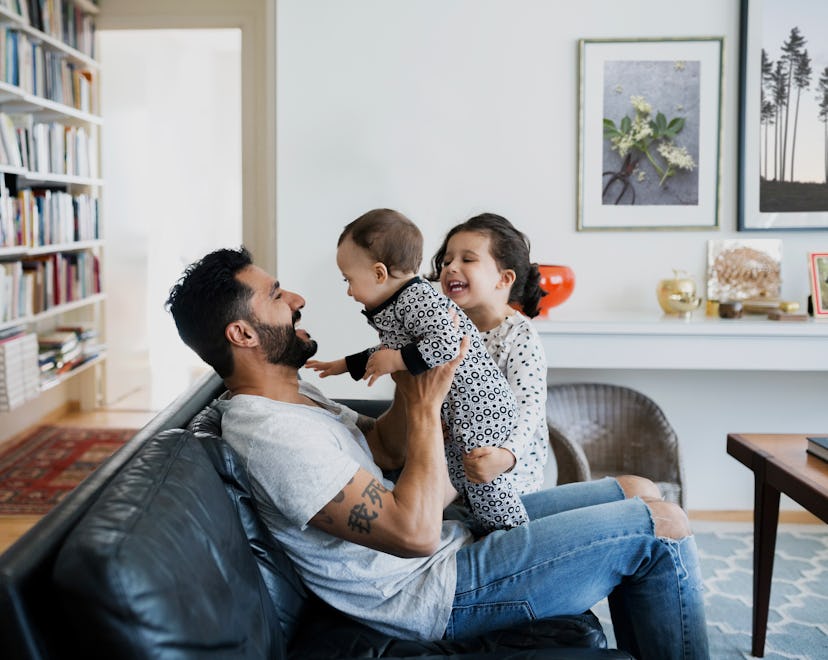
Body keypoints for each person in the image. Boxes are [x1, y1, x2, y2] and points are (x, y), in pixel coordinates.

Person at [165, 246, 710, 659]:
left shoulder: (296, 394)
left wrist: (415, 364)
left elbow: (382, 446)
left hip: (452, 548)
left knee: (641, 489)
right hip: (429, 592)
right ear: (243, 333)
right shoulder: (269, 433)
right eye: (278, 296)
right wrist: (428, 410)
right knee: (662, 527)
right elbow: (413, 534)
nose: (298, 300)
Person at [305, 208, 528, 533]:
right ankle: (484, 529)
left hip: (481, 409)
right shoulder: (398, 302)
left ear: (380, 273)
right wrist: (343, 365)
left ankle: (512, 534)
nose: (349, 291)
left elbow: (448, 344)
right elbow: (392, 350)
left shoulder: (417, 299)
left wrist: (395, 362)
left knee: (484, 483)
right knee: (460, 477)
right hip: (457, 414)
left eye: (349, 280)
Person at [430, 212, 552, 494]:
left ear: (504, 278)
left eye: (467, 260)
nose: (451, 268)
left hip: (510, 482)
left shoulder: (518, 335)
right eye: (447, 261)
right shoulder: (444, 330)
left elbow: (529, 406)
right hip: (452, 477)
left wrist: (507, 455)